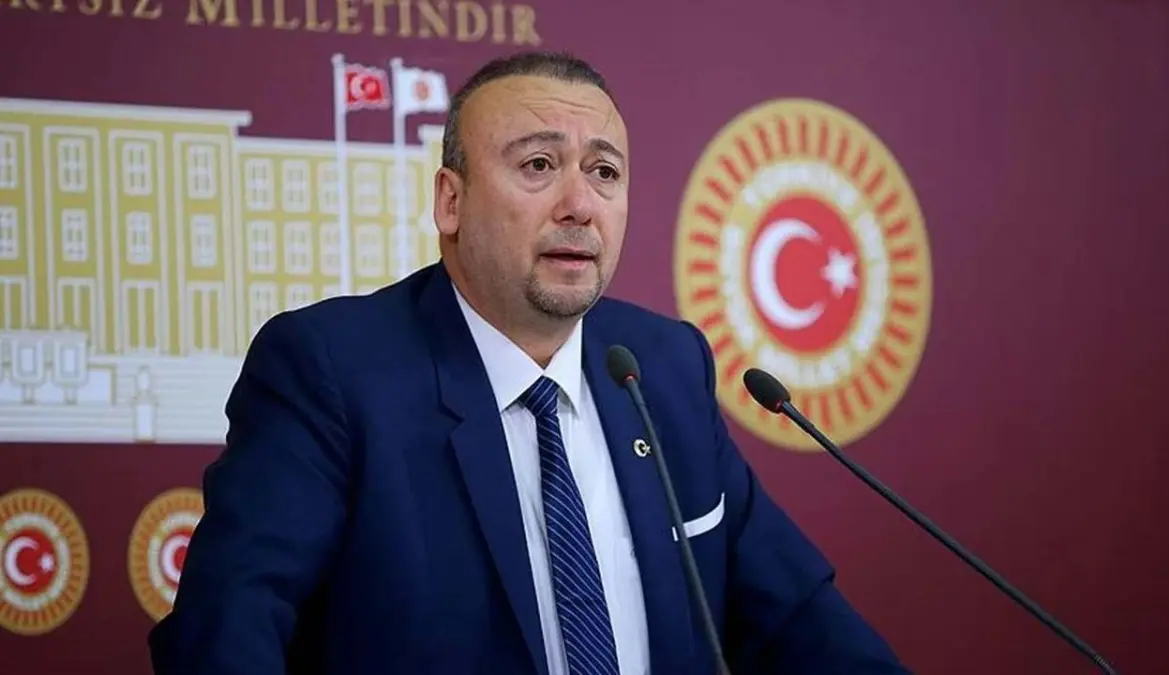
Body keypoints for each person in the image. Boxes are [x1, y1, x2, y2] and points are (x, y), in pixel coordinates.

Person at [148, 50, 909, 675]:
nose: (580, 204)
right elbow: (225, 632)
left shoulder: (663, 368)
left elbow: (798, 620)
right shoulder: (332, 371)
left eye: (605, 173)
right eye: (540, 164)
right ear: (450, 202)